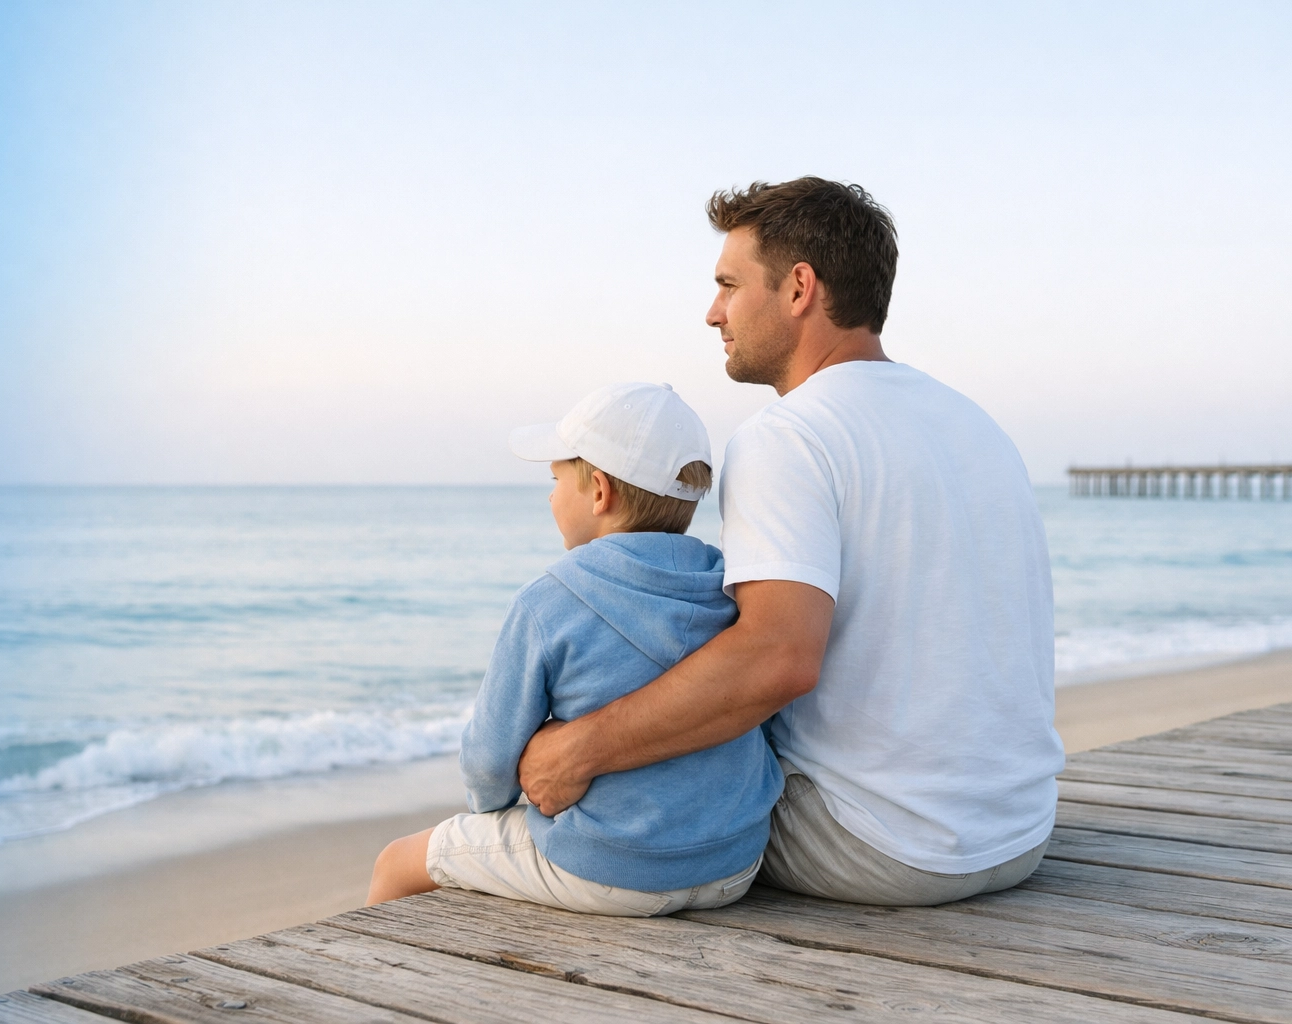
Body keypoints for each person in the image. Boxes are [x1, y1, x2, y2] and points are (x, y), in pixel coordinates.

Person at [517, 178, 1067, 906]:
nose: (713, 312)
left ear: (799, 287)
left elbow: (776, 659)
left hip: (879, 843)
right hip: (1017, 831)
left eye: (728, 285)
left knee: (609, 821)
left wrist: (574, 751)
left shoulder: (790, 437)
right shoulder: (973, 425)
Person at [366, 382, 782, 915]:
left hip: (613, 868)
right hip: (734, 863)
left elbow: (489, 763)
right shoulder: (732, 587)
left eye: (556, 478)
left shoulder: (549, 600)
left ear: (600, 492)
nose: (549, 495)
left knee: (396, 862)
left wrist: (486, 811)